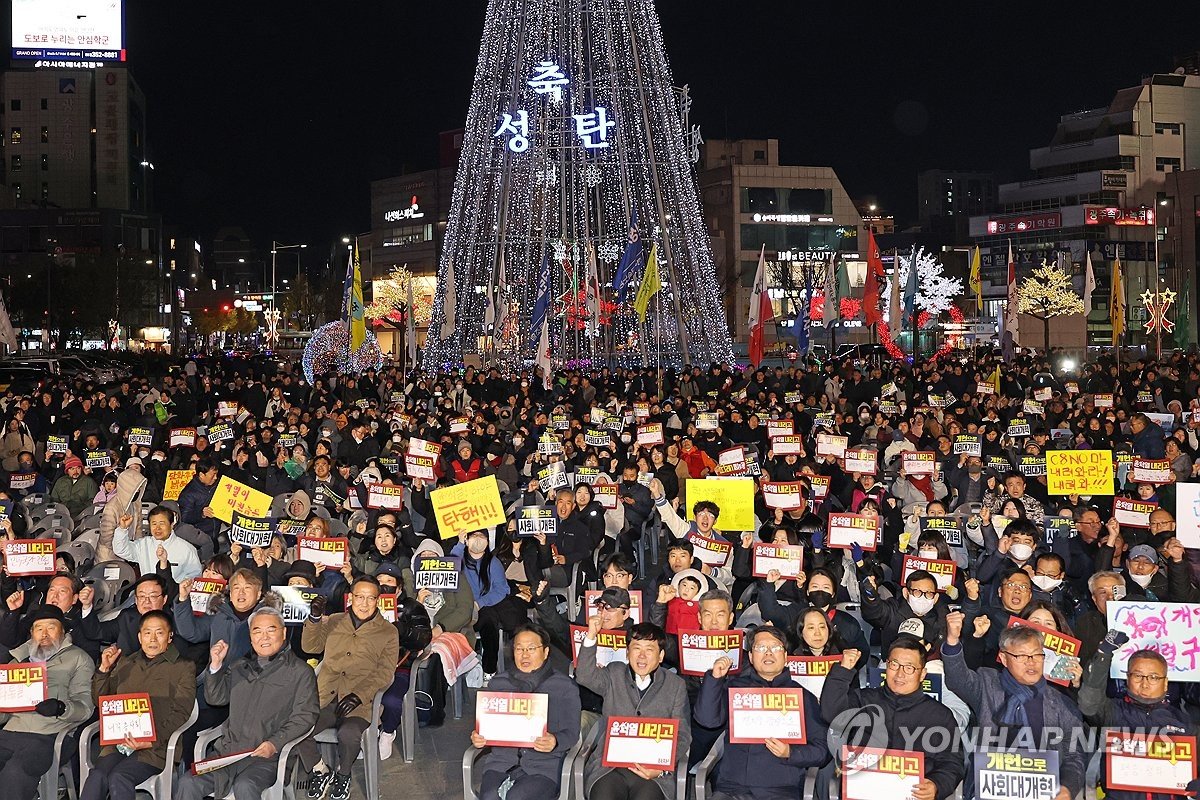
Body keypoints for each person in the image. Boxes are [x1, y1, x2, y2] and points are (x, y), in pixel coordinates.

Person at [174, 607, 319, 800]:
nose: (264, 637)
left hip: (268, 756)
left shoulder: (300, 672)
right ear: (250, 637)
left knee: (245, 786)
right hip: (228, 753)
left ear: (283, 633)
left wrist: (274, 744)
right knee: (188, 782)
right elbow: (216, 698)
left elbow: (305, 716)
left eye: (271, 630)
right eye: (257, 631)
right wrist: (216, 665)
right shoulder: (239, 667)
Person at [942, 611, 1082, 800]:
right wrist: (952, 639)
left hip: (1040, 791)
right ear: (1004, 658)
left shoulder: (1061, 703)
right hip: (989, 789)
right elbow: (957, 679)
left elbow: (1074, 757)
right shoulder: (987, 684)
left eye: (1037, 655)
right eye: (1021, 656)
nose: (1031, 662)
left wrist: (1066, 789)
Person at [694, 626, 830, 800]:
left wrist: (791, 752)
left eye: (775, 647)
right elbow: (707, 720)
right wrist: (715, 680)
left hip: (782, 790)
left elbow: (823, 750)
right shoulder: (735, 690)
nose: (768, 653)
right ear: (750, 657)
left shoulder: (802, 697)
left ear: (786, 657)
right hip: (733, 789)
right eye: (760, 648)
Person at [821, 639, 965, 800]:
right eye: (894, 665)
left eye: (909, 668)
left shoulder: (939, 715)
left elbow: (952, 762)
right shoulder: (864, 700)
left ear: (922, 674)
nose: (900, 674)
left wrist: (936, 784)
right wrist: (842, 672)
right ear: (886, 666)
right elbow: (831, 714)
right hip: (865, 792)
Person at [297, 576, 400, 800]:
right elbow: (310, 646)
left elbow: (385, 672)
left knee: (349, 733)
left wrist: (359, 695)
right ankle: (320, 770)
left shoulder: (388, 632)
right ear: (350, 598)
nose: (364, 603)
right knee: (297, 728)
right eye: (359, 597)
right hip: (325, 696)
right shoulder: (335, 621)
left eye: (370, 598)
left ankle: (343, 775)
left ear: (378, 601)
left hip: (359, 701)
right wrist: (314, 619)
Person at [83, 610, 196, 800]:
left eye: (159, 633)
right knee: (97, 776)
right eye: (147, 633)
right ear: (139, 637)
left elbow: (181, 713)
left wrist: (152, 740)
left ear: (169, 637)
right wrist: (104, 670)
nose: (152, 639)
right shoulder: (126, 662)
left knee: (119, 777)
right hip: (120, 743)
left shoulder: (183, 667)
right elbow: (101, 701)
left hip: (155, 747)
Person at [575, 620, 691, 800]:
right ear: (628, 653)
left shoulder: (675, 685)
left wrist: (660, 769)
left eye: (649, 649)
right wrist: (591, 635)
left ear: (661, 656)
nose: (642, 656)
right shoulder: (614, 674)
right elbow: (584, 675)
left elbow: (683, 735)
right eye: (636, 648)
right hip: (610, 768)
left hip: (651, 771)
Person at [469, 623, 582, 800]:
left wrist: (555, 740)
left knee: (517, 797)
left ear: (545, 652)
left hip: (544, 766)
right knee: (490, 797)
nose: (524, 654)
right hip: (502, 763)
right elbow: (485, 727)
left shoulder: (564, 687)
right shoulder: (498, 684)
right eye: (519, 649)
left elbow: (572, 732)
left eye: (531, 648)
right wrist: (479, 736)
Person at [1079, 634, 1195, 800]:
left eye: (1154, 677)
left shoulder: (1184, 723)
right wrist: (1103, 654)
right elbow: (1089, 703)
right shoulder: (1112, 712)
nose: (1145, 683)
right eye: (1138, 676)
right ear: (1128, 679)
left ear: (1166, 683)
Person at [0, 605, 95, 800]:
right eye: (38, 628)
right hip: (11, 731)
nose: (44, 634)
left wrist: (61, 708)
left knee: (15, 770)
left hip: (50, 735)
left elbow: (85, 708)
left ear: (62, 631)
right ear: (31, 633)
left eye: (51, 627)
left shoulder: (79, 659)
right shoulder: (17, 663)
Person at [112, 506, 202, 583]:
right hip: (148, 596)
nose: (157, 528)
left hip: (174, 598)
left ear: (171, 525)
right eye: (154, 524)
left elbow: (195, 575)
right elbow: (121, 550)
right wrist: (122, 529)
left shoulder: (186, 549)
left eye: (162, 523)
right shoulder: (143, 545)